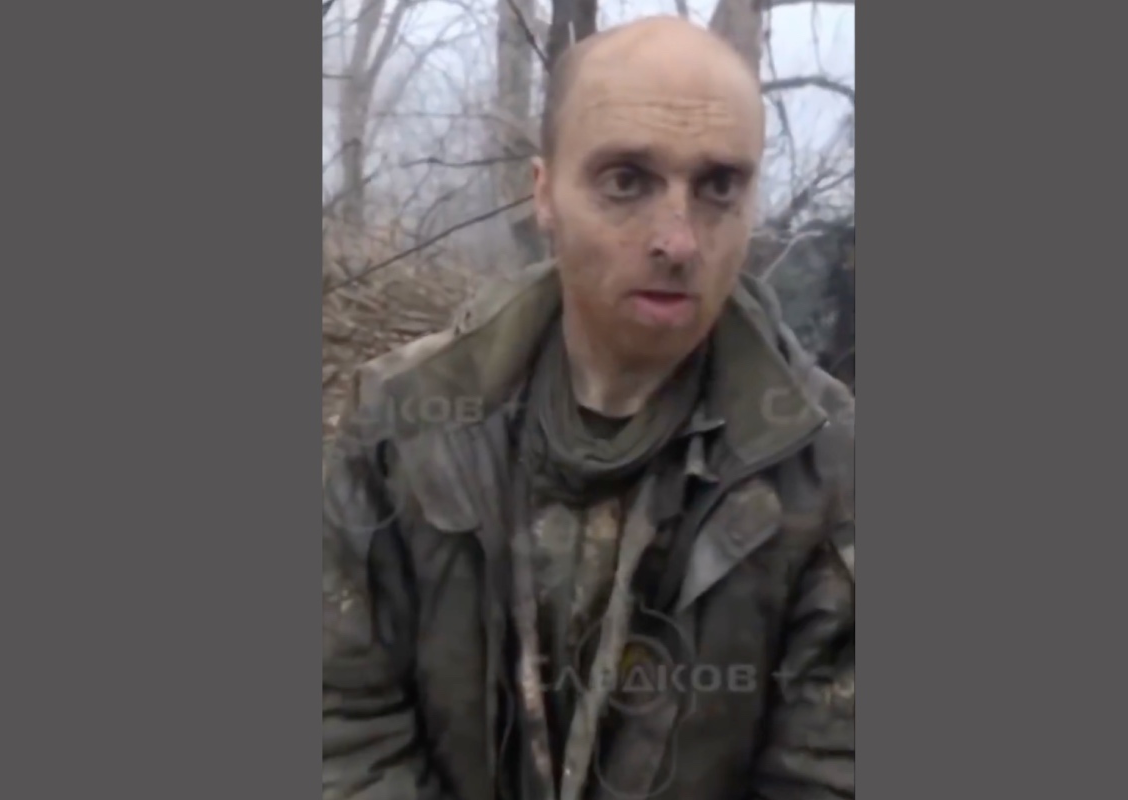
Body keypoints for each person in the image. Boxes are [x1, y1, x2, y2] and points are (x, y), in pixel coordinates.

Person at [323, 15, 855, 800]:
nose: (678, 240)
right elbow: (341, 720)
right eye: (626, 181)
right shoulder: (405, 424)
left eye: (718, 187)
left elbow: (829, 769)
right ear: (544, 194)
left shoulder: (829, 464)